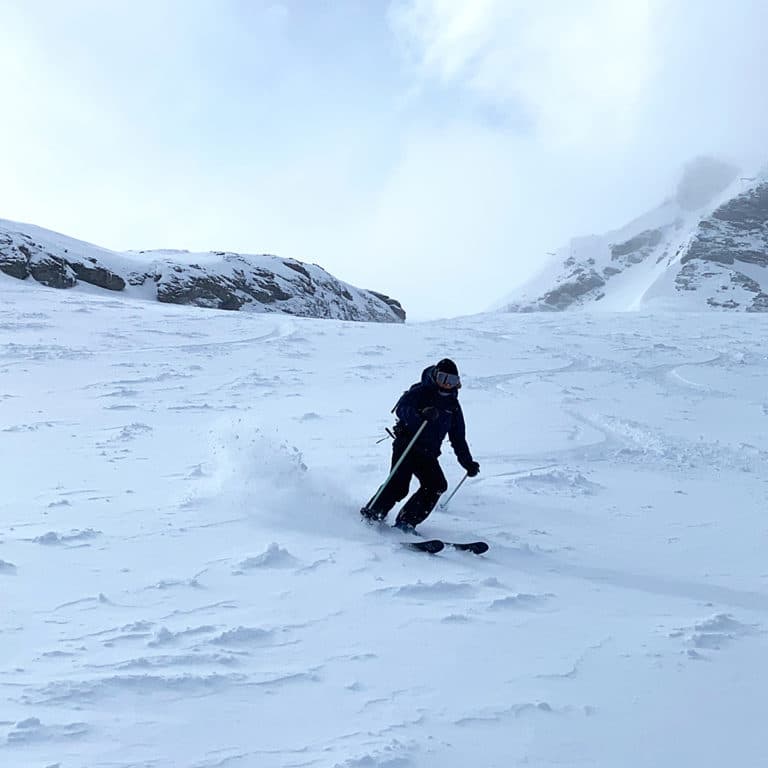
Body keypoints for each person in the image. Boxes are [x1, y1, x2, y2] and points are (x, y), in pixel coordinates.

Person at [361, 358, 480, 532]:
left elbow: (458, 437)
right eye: (443, 378)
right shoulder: (421, 391)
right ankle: (373, 514)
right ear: (435, 376)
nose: (447, 384)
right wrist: (420, 414)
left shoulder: (452, 406)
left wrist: (467, 462)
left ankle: (407, 522)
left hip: (428, 453)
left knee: (436, 485)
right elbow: (402, 408)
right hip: (407, 444)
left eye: (452, 381)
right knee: (399, 485)